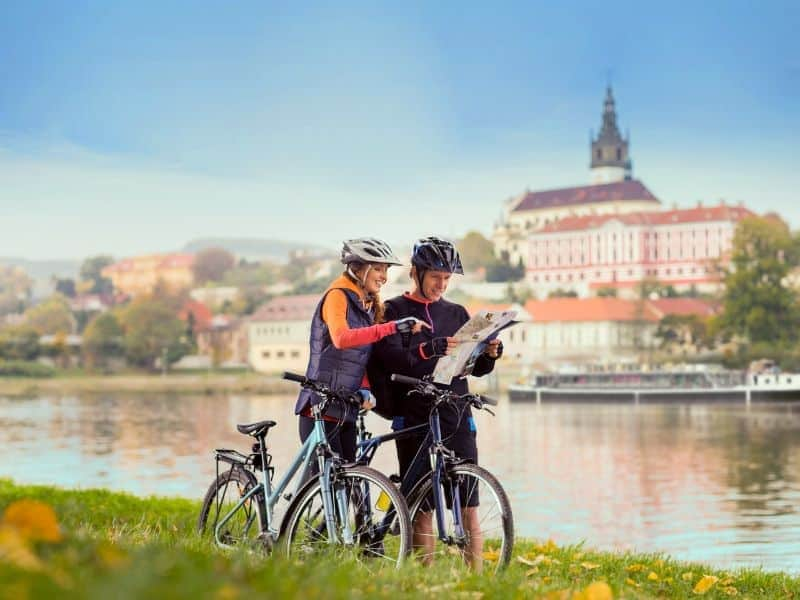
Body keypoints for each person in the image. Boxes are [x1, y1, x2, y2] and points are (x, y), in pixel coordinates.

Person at [369, 236, 503, 571]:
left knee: (469, 502)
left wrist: (490, 355)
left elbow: (474, 367)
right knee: (421, 506)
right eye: (435, 278)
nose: (441, 285)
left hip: (456, 411)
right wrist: (430, 349)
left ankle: (478, 580)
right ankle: (423, 579)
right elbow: (389, 360)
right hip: (414, 414)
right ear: (416, 273)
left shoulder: (456, 312)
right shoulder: (395, 310)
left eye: (447, 279)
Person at [294, 237, 427, 471]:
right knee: (330, 485)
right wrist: (393, 326)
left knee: (350, 482)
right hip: (319, 406)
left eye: (386, 269)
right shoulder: (337, 295)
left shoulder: (364, 304)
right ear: (357, 268)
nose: (384, 276)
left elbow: (359, 356)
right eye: (378, 268)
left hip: (345, 407)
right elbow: (341, 338)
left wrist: (364, 386)